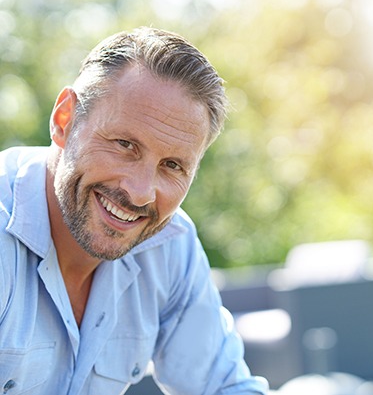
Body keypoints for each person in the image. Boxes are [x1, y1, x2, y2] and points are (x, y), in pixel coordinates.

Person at [0, 27, 268, 395]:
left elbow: (225, 386)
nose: (140, 193)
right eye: (124, 145)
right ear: (65, 120)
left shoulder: (170, 246)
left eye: (172, 165)